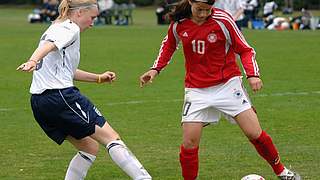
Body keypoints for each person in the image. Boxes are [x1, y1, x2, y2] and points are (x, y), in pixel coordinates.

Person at [139, 0, 300, 179]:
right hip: (196, 89)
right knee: (189, 143)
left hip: (227, 85)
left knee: (253, 132)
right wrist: (155, 69)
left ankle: (282, 171)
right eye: (199, 9)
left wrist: (253, 74)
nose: (203, 14)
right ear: (191, 2)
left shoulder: (223, 20)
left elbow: (245, 50)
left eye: (207, 10)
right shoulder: (179, 24)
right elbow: (169, 45)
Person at [16, 0, 152, 179]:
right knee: (112, 138)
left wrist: (98, 78)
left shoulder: (55, 27)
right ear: (79, 13)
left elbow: (66, 70)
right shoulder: (69, 28)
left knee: (89, 147)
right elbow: (47, 47)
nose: (93, 22)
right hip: (60, 97)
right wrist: (33, 60)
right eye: (92, 17)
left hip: (39, 102)